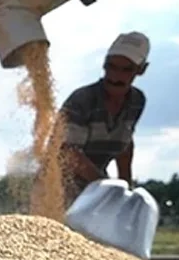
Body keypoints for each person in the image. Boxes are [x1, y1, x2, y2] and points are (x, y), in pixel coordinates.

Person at [52, 31, 151, 207]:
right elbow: (69, 153)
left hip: (93, 189)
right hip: (56, 185)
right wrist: (109, 189)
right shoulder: (82, 100)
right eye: (111, 67)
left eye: (126, 70)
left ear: (141, 69)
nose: (115, 77)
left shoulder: (136, 101)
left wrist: (125, 189)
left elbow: (125, 146)